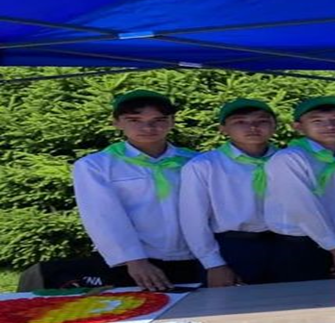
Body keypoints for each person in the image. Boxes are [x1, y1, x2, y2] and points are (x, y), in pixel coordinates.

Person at [73, 90, 201, 291]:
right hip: (137, 264)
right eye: (134, 120)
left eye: (159, 120)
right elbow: (102, 216)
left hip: (196, 257)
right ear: (116, 123)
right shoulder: (96, 165)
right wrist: (134, 260)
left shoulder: (195, 161)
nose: (148, 128)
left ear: (172, 122)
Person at [263, 96, 335, 282]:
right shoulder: (289, 159)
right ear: (298, 127)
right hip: (302, 246)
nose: (329, 126)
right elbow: (302, 208)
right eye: (317, 121)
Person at [179, 98, 278, 287]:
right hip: (234, 248)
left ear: (274, 126)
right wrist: (213, 263)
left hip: (289, 245)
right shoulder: (204, 165)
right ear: (222, 129)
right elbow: (193, 220)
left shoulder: (288, 160)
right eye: (240, 122)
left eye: (262, 121)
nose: (252, 127)